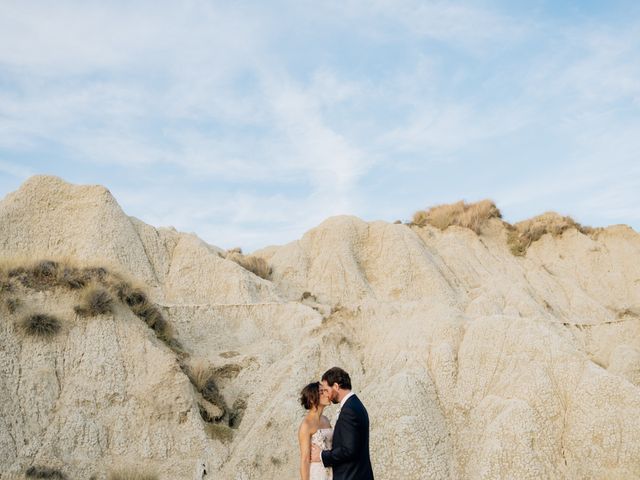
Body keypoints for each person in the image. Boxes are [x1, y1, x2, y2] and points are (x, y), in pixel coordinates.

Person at [311, 367, 374, 480]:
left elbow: (348, 450)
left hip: (351, 476)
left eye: (326, 390)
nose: (327, 395)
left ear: (336, 386)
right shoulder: (355, 404)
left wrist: (321, 455)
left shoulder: (349, 410)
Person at [298, 381, 334, 480]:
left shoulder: (326, 419)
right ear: (312, 399)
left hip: (332, 470)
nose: (327, 394)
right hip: (318, 474)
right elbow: (305, 459)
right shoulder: (306, 425)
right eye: (322, 392)